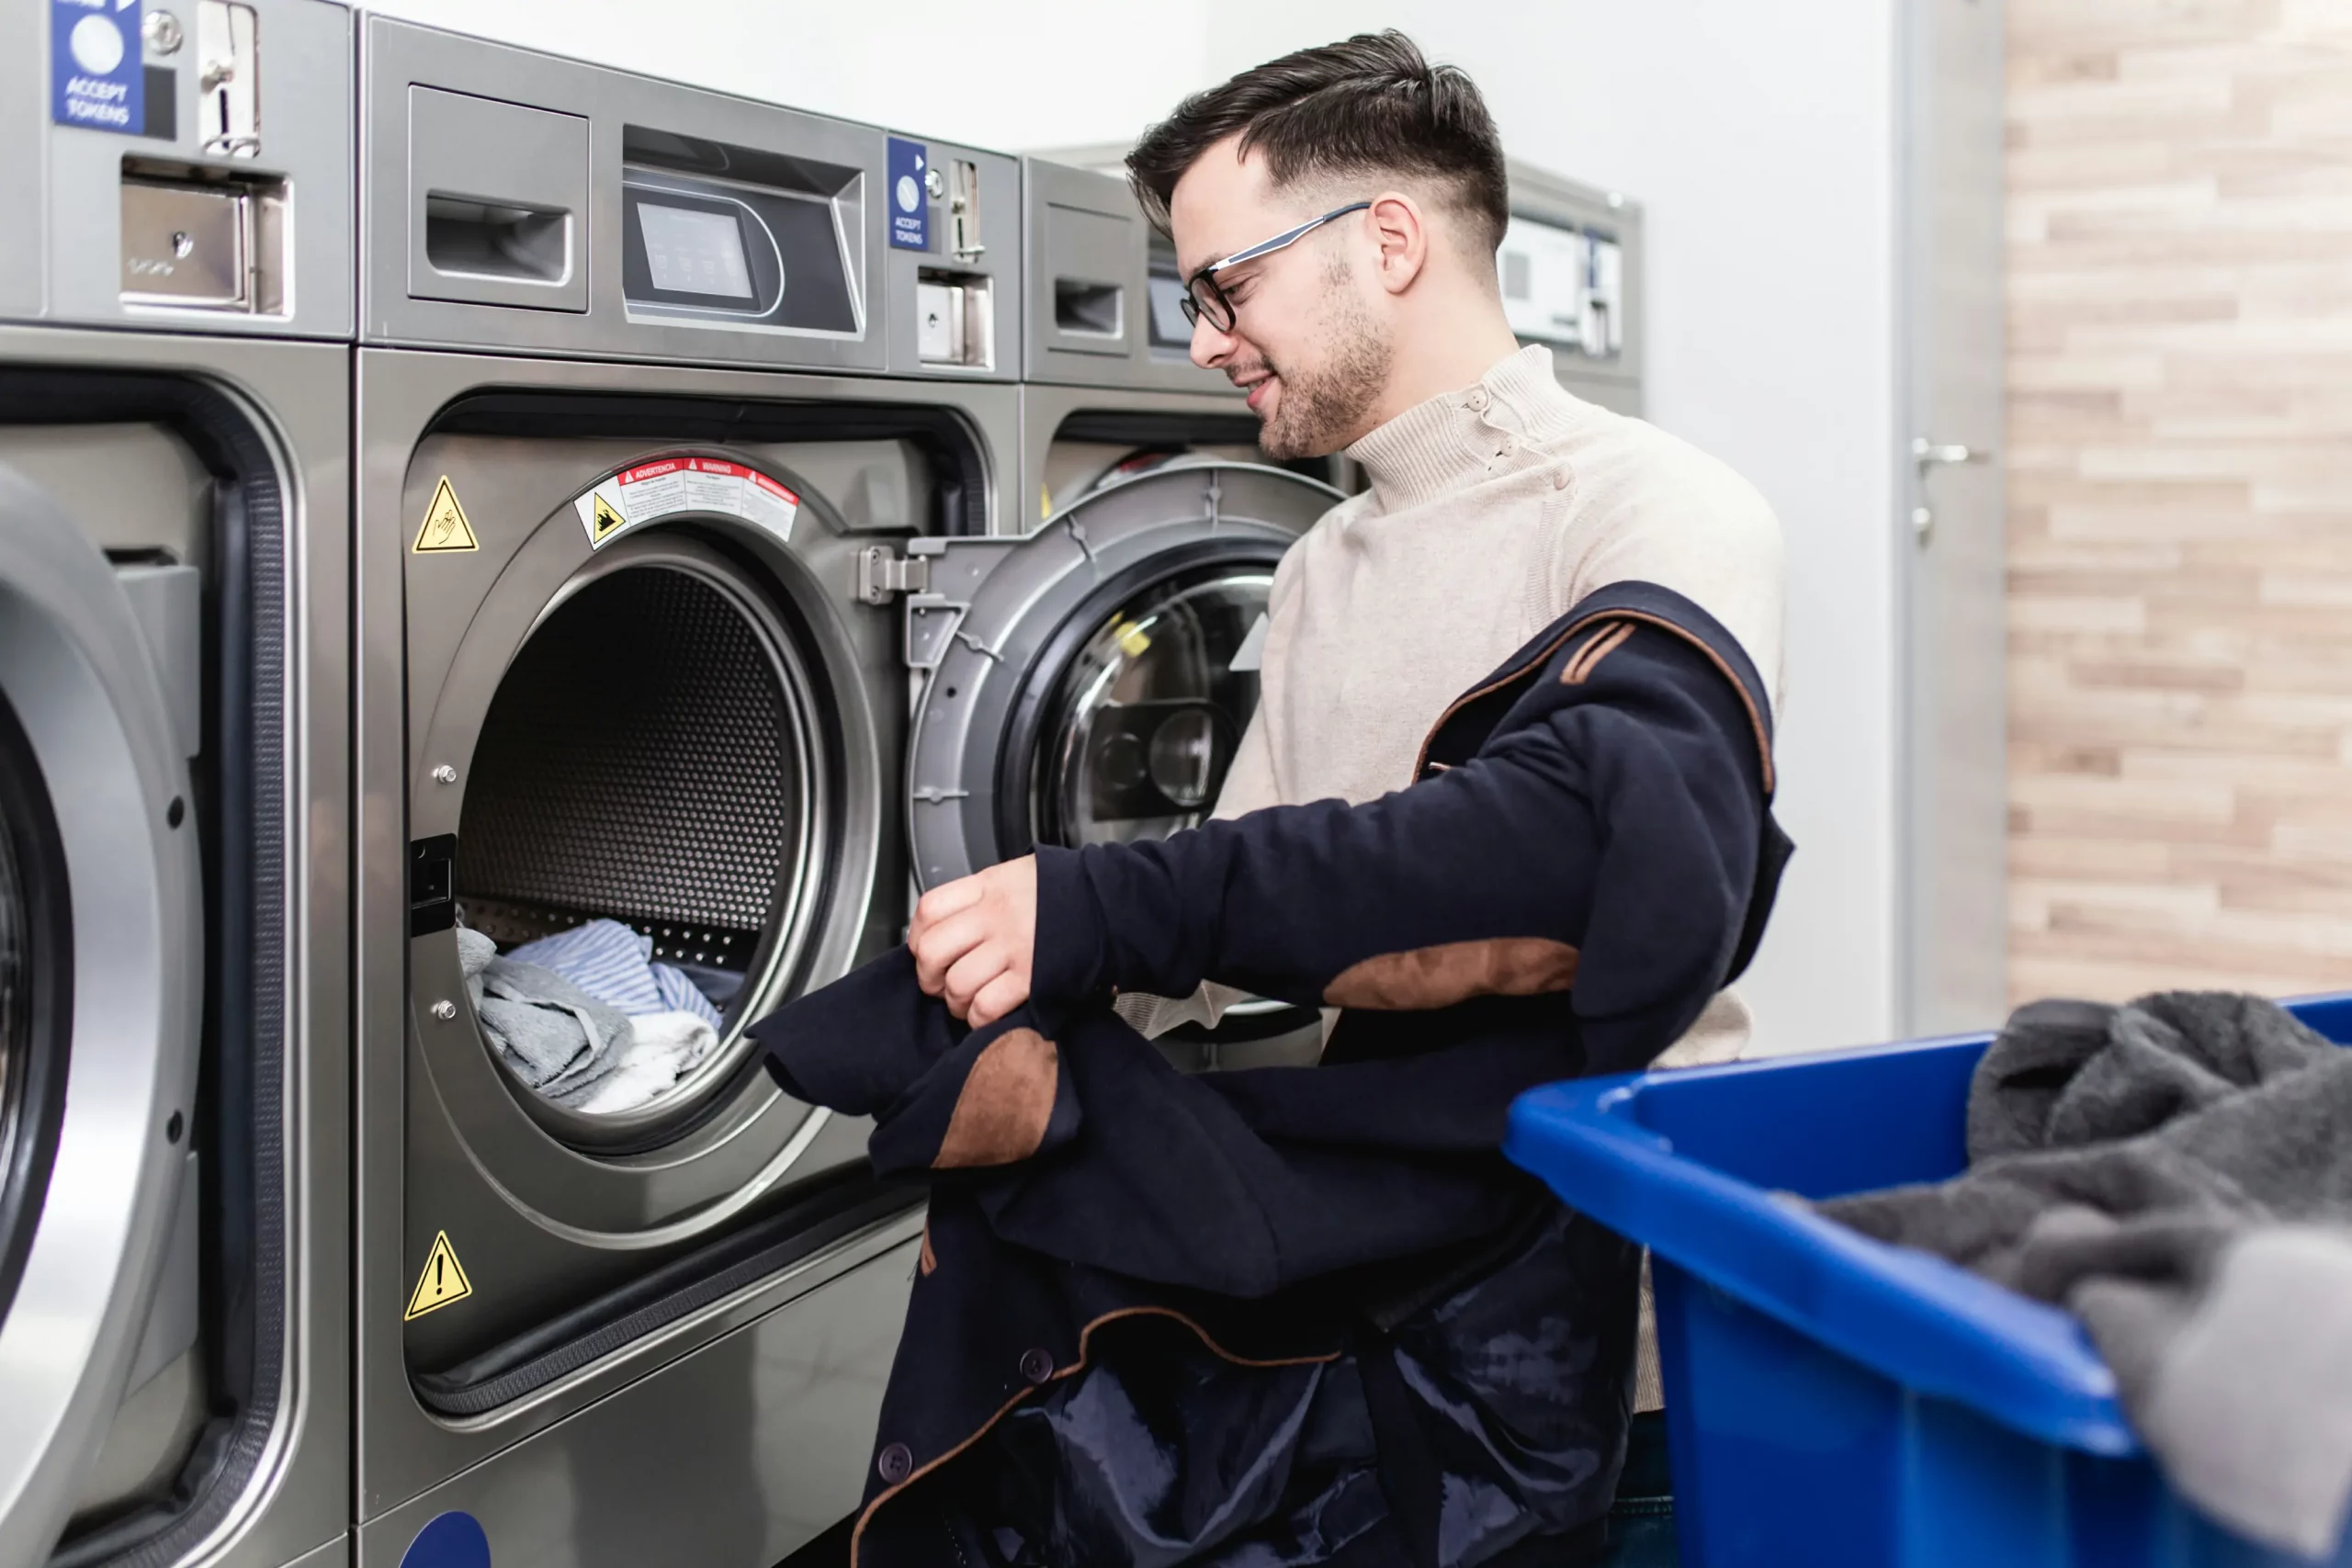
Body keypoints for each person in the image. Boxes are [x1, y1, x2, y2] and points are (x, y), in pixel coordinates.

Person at [759, 31, 1792, 1568]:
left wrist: (1112, 903)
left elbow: (1585, 857)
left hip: (1581, 1313)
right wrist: (1003, 1025)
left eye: (1223, 288)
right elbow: (1253, 921)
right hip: (1354, 1283)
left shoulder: (1655, 509)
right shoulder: (1321, 562)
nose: (1203, 344)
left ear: (1386, 241)